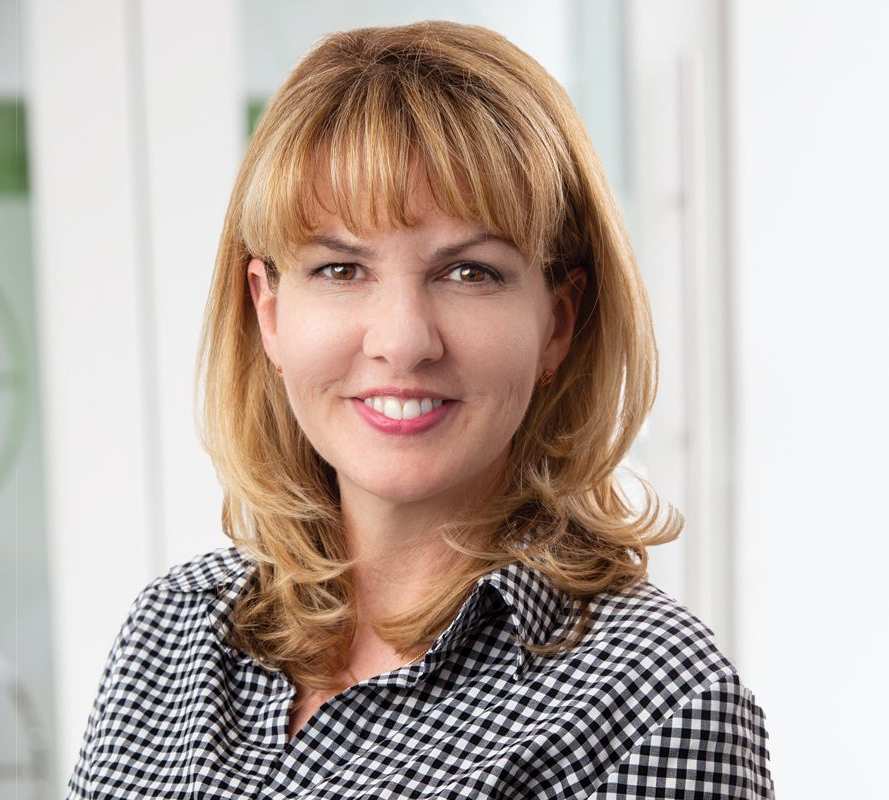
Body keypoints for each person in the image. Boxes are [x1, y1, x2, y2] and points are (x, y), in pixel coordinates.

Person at [67, 20, 773, 799]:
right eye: (340, 268)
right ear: (269, 311)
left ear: (558, 323)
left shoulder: (655, 702)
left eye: (470, 272)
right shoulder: (170, 634)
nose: (403, 341)